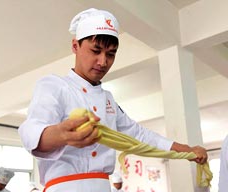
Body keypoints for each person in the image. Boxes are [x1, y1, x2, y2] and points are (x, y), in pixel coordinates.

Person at [18, 8, 208, 192]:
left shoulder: (108, 99)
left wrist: (187, 150)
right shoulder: (54, 85)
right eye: (95, 51)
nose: (103, 62)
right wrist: (61, 134)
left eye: (110, 54)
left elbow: (138, 135)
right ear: (75, 46)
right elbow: (31, 131)